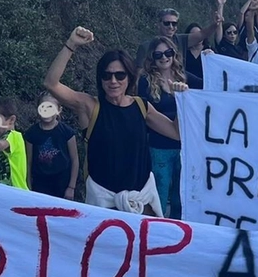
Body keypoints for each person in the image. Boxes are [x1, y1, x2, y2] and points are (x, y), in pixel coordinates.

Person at [45, 28, 180, 216]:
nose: (113, 81)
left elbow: (176, 132)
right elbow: (51, 83)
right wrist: (72, 44)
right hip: (104, 206)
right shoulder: (90, 107)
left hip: (143, 203)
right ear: (100, 79)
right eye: (107, 75)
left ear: (129, 77)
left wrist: (183, 100)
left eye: (120, 75)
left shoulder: (142, 107)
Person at [137, 36, 195, 219]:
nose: (164, 57)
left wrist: (210, 57)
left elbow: (210, 84)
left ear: (174, 54)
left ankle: (179, 231)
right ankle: (156, 232)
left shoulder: (184, 77)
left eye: (168, 53)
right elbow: (144, 112)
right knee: (159, 194)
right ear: (152, 58)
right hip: (159, 146)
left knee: (181, 196)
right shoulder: (145, 81)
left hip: (184, 147)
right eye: (158, 54)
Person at [24, 94, 79, 199]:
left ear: (59, 110)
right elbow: (28, 162)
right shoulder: (31, 133)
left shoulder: (67, 132)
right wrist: (28, 185)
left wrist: (71, 187)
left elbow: (75, 159)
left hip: (62, 182)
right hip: (40, 183)